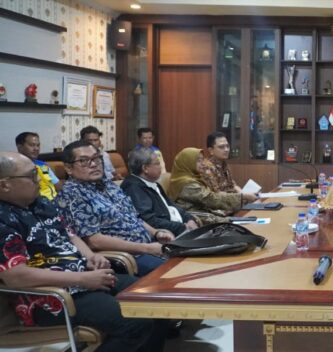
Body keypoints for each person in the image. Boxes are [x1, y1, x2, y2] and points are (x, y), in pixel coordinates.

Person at [0, 151, 164, 351]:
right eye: (32, 175)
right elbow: (16, 277)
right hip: (49, 298)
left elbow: (70, 234)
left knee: (154, 298)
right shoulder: (3, 219)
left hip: (83, 278)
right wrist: (83, 279)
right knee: (135, 323)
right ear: (5, 185)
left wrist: (91, 257)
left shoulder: (41, 203)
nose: (39, 179)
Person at [55, 140, 173, 276]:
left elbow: (133, 217)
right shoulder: (72, 195)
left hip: (149, 246)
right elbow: (94, 241)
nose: (93, 164)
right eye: (84, 161)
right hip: (128, 256)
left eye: (96, 158)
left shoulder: (109, 185)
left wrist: (156, 233)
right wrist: (146, 248)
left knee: (186, 260)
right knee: (174, 271)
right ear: (69, 168)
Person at [121, 148, 199, 236]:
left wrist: (189, 219)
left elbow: (171, 205)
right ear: (145, 168)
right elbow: (148, 219)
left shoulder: (153, 183)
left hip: (179, 227)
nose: (161, 167)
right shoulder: (134, 187)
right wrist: (182, 227)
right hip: (169, 233)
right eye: (157, 163)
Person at [167, 147, 256, 220]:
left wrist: (242, 197)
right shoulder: (187, 183)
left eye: (202, 160)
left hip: (206, 214)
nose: (203, 164)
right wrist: (242, 197)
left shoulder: (194, 178)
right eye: (198, 161)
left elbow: (229, 186)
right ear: (187, 162)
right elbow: (211, 199)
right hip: (196, 219)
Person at [14, 132, 60, 200]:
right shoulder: (15, 168)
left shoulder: (42, 165)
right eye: (32, 145)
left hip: (55, 201)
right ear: (20, 147)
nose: (36, 148)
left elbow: (56, 184)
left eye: (38, 145)